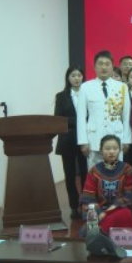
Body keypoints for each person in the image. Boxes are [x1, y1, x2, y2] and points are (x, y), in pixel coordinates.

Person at [77, 50, 131, 169]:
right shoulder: (85, 87)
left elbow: (126, 115)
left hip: (116, 137)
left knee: (116, 172)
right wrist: (83, 141)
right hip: (94, 138)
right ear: (94, 67)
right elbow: (81, 117)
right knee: (95, 173)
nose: (104, 67)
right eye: (100, 64)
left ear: (112, 66)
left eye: (107, 64)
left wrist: (126, 139)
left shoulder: (122, 87)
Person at [79, 135, 132, 234]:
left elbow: (129, 195)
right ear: (101, 150)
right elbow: (88, 198)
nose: (111, 152)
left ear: (120, 150)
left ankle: (101, 232)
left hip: (119, 208)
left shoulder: (127, 169)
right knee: (90, 226)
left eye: (115, 148)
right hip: (99, 212)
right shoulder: (94, 171)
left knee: (125, 214)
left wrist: (111, 209)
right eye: (107, 149)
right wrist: (99, 213)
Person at [54, 66, 88, 219]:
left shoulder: (88, 93)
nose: (76, 78)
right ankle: (74, 206)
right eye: (73, 75)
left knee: (86, 174)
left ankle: (86, 204)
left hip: (85, 140)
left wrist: (77, 121)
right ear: (68, 78)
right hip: (67, 140)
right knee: (69, 175)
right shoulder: (61, 96)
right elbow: (59, 119)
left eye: (79, 75)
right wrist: (80, 120)